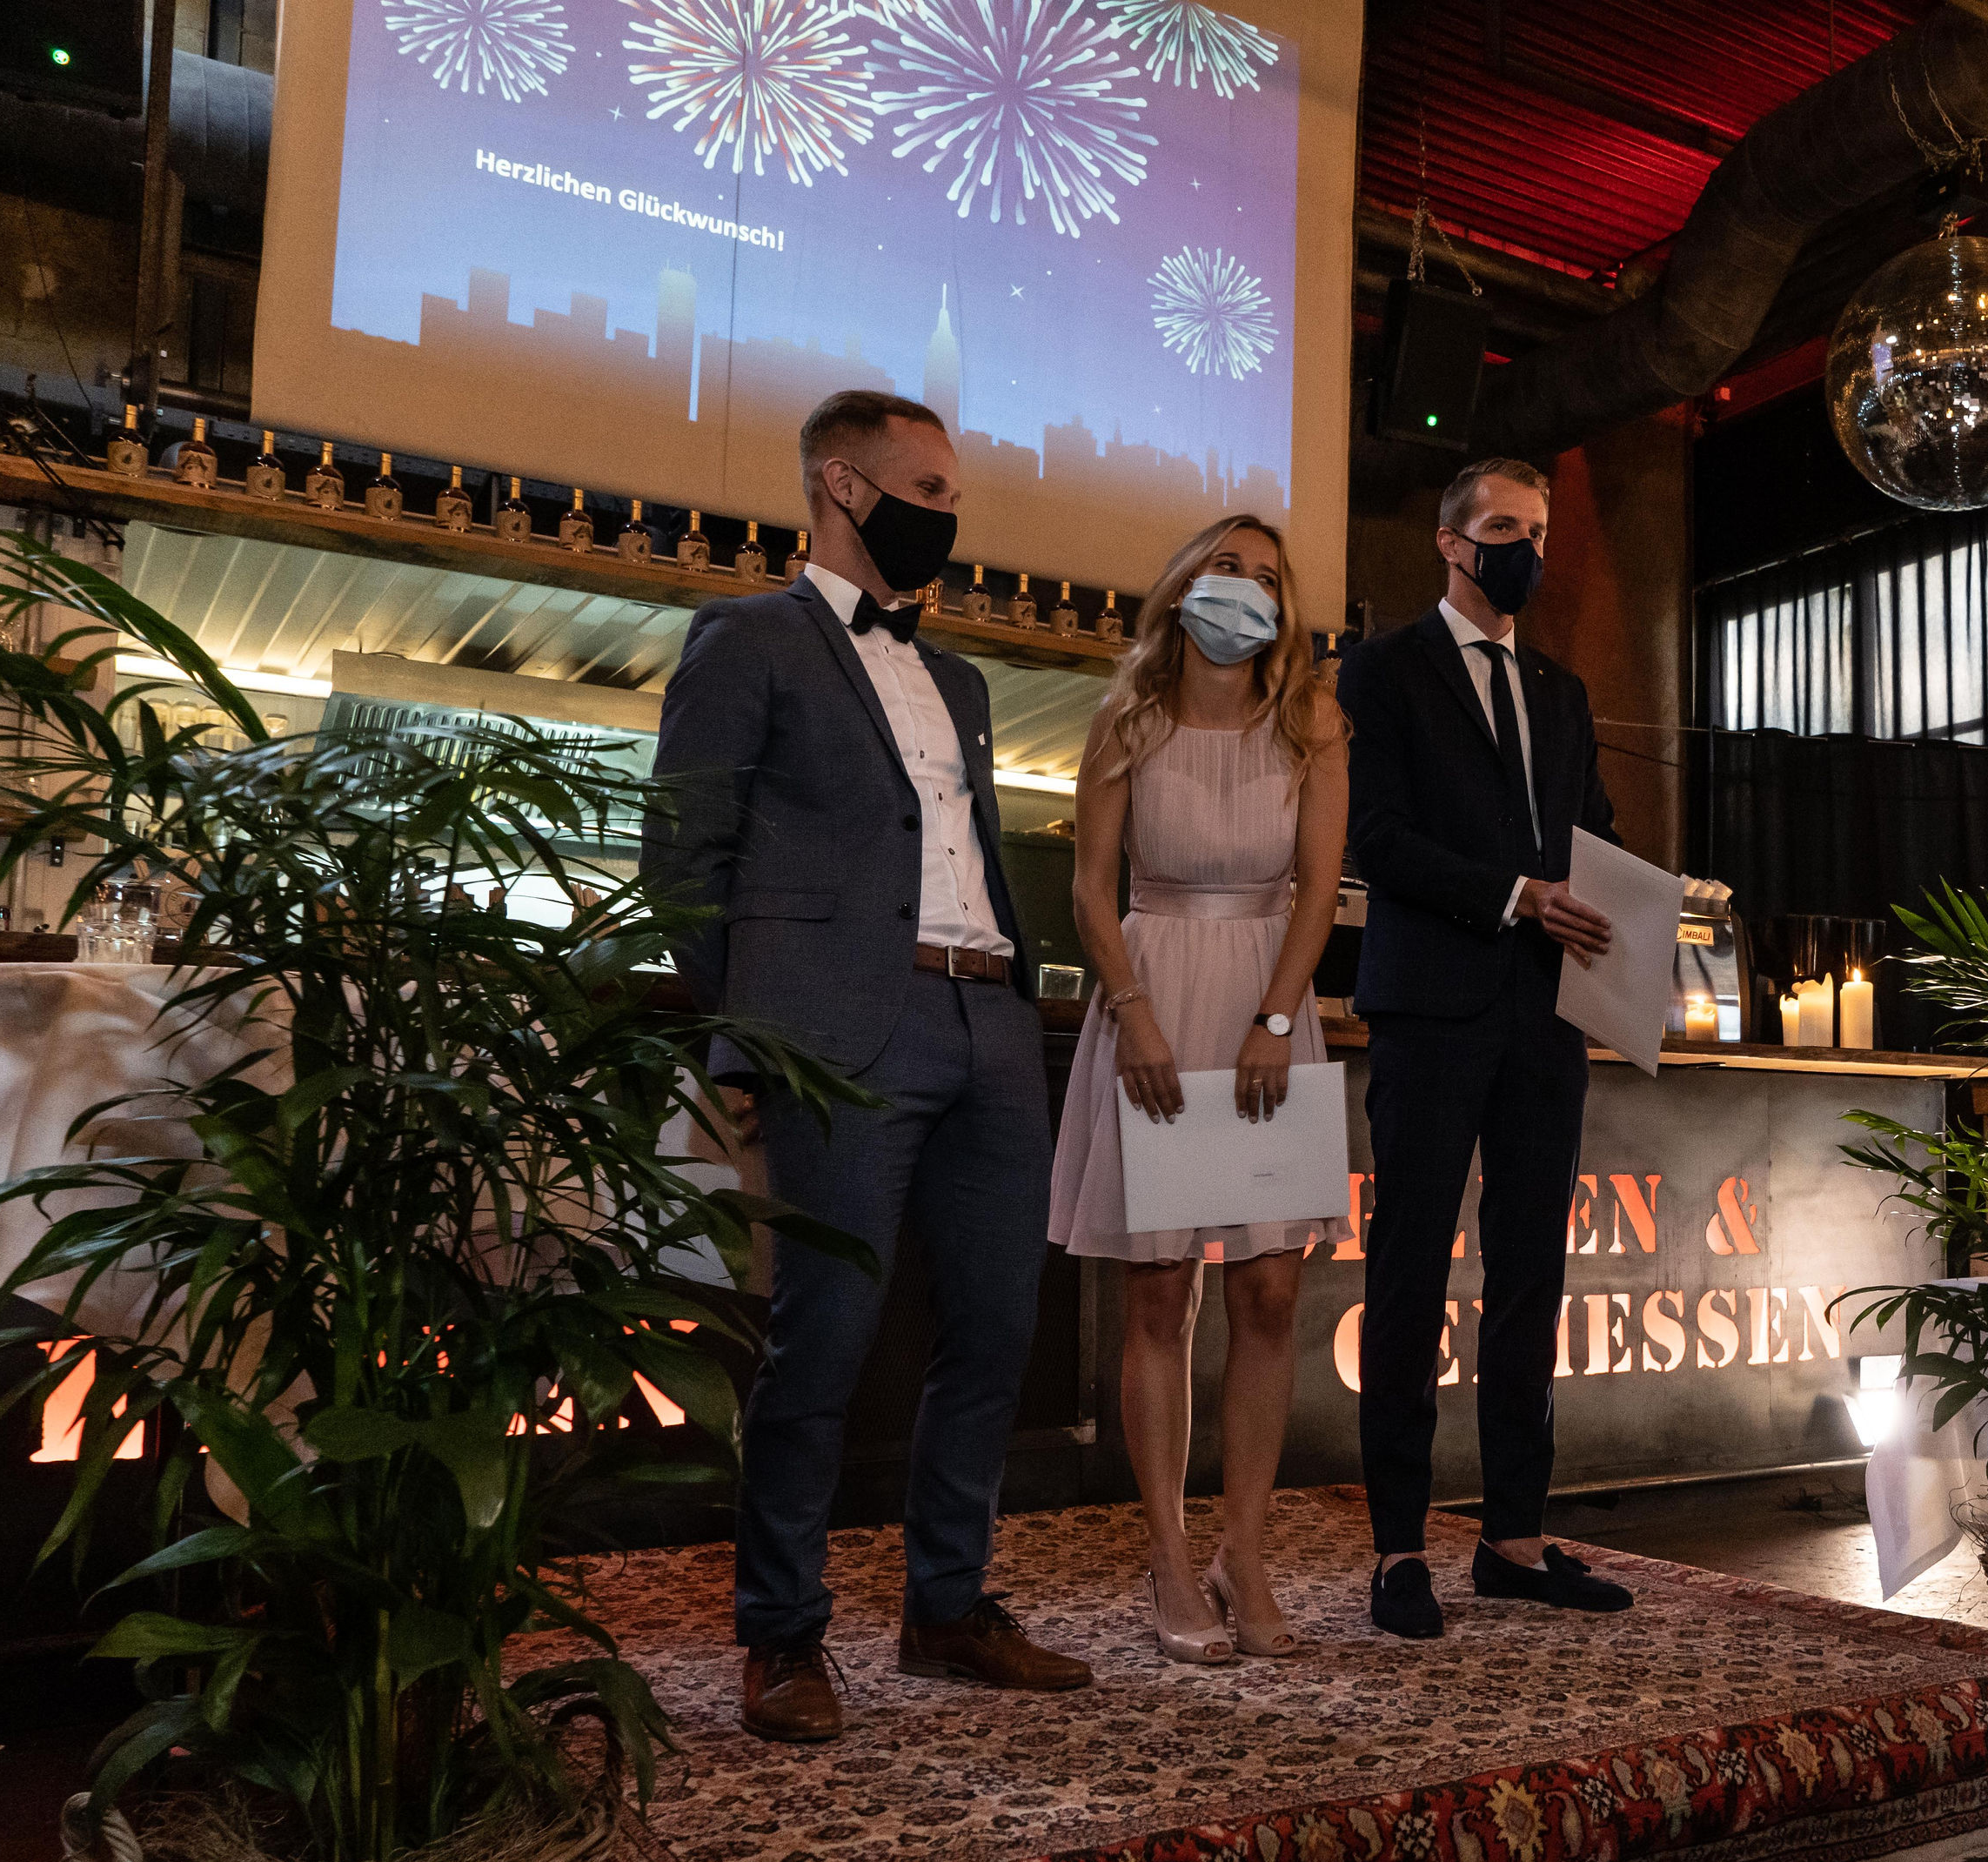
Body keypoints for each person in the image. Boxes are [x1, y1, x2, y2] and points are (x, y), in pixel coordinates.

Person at [641, 389, 1092, 1745]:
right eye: (930, 491)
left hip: (991, 1022)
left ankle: (946, 1608)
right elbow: (682, 857)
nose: (949, 515)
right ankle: (781, 1634)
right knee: (825, 1334)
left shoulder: (960, 680)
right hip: (841, 1039)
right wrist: (759, 1028)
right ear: (844, 485)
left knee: (999, 1328)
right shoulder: (746, 640)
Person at [1333, 456, 1638, 1638]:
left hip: (1545, 1016)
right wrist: (1514, 894)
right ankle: (1400, 1548)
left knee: (1529, 1277)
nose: (1529, 549)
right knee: (1409, 1273)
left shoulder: (1560, 690)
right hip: (1430, 1007)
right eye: (1506, 527)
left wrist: (1634, 902)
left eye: (1541, 530)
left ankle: (1514, 1536)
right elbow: (1376, 838)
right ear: (1452, 544)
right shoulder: (1385, 669)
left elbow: (1591, 833)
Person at [1050, 516, 1350, 1664]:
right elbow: (1090, 889)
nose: (1248, 589)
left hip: (1270, 1001)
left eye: (1269, 576)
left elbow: (1319, 887)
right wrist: (1132, 1015)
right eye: (1229, 568)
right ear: (1183, 585)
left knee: (1269, 1294)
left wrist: (1276, 1019)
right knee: (1159, 1295)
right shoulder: (1126, 717)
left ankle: (1246, 1552)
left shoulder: (1313, 721)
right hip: (1157, 1001)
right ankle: (1170, 1556)